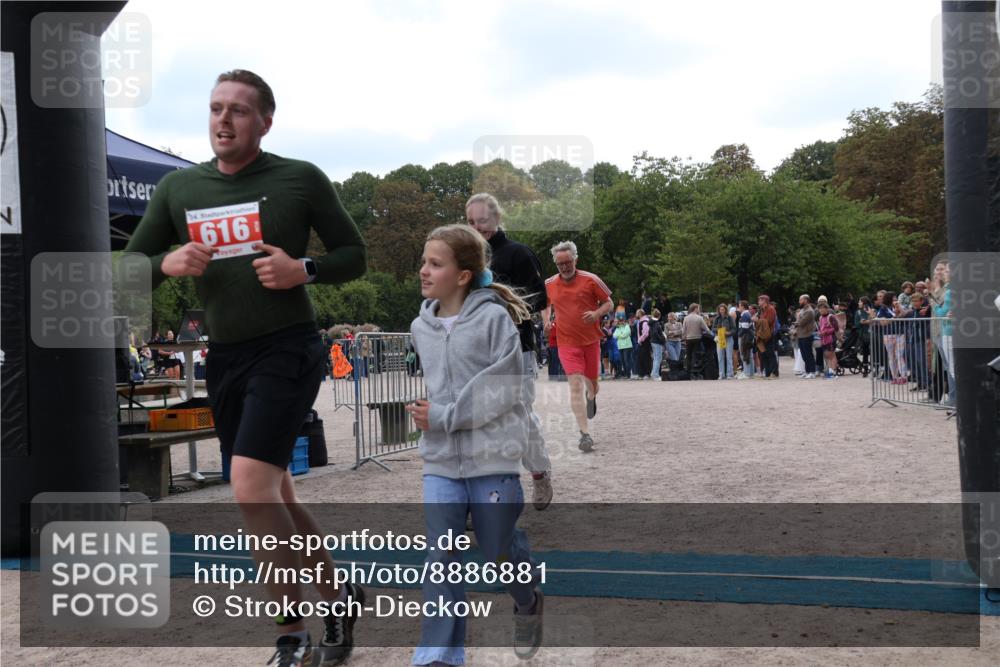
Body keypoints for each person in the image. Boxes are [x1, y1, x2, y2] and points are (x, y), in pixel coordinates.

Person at [124, 70, 367, 667]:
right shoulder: (179, 188)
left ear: (265, 121)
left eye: (237, 110)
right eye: (215, 109)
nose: (223, 120)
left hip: (288, 346)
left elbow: (353, 255)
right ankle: (339, 598)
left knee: (251, 487)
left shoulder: (299, 177)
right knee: (274, 490)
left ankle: (291, 636)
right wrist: (167, 261)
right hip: (226, 355)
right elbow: (129, 267)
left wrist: (302, 269)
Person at [406, 224, 543, 665]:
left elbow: (505, 390)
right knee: (440, 556)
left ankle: (528, 601)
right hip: (441, 462)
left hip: (492, 458)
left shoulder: (493, 319)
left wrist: (443, 416)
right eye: (424, 261)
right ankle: (439, 657)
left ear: (463, 275)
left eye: (435, 263)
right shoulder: (419, 327)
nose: (424, 270)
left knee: (499, 547)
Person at [466, 193, 553, 510]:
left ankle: (540, 472)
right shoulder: (465, 260)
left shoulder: (518, 253)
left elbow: (540, 298)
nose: (478, 227)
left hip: (516, 348)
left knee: (520, 416)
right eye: (472, 222)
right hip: (475, 353)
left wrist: (501, 309)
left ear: (497, 219)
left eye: (484, 221)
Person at [541, 241, 613, 452]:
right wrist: (547, 320)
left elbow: (608, 302)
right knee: (574, 385)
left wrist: (596, 314)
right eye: (560, 263)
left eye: (568, 262)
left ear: (575, 259)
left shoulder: (591, 280)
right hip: (565, 341)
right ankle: (585, 434)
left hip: (590, 340)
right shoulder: (550, 283)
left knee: (592, 384)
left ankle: (591, 398)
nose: (564, 267)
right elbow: (544, 303)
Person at [682, 304, 710, 378]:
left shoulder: (686, 318)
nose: (698, 310)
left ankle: (688, 372)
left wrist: (684, 338)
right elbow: (706, 329)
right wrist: (711, 334)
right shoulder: (699, 318)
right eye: (698, 308)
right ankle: (695, 371)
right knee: (696, 355)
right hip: (697, 338)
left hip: (688, 339)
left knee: (689, 356)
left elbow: (684, 330)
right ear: (695, 309)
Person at [753, 295, 778, 379]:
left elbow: (769, 321)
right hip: (762, 335)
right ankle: (767, 373)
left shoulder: (771, 309)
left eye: (760, 300)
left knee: (770, 354)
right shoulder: (761, 310)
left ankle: (774, 373)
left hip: (769, 334)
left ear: (765, 301)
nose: (758, 302)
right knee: (764, 354)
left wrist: (757, 320)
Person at [794, 295, 817, 379]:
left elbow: (801, 322)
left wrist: (796, 321)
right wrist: (797, 321)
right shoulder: (803, 310)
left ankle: (812, 372)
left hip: (807, 334)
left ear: (806, 300)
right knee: (804, 355)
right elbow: (798, 321)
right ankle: (807, 371)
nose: (799, 301)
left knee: (808, 354)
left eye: (801, 300)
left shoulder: (809, 311)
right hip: (801, 335)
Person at [711, 304, 735, 379]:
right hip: (720, 337)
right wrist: (719, 330)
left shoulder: (730, 318)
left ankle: (729, 374)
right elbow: (713, 329)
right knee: (720, 357)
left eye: (723, 309)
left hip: (728, 338)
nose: (721, 311)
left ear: (725, 310)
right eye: (720, 309)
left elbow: (734, 329)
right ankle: (721, 374)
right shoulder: (716, 318)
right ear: (718, 310)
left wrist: (729, 332)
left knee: (728, 356)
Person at [817, 302, 840, 379]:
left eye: (822, 308)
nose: (820, 310)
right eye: (819, 309)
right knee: (827, 355)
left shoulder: (831, 317)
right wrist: (820, 332)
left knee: (831, 355)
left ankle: (833, 372)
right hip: (823, 340)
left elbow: (836, 328)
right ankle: (830, 371)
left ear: (826, 309)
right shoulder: (820, 318)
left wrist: (826, 332)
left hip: (831, 339)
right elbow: (820, 328)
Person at [736, 300, 756, 379]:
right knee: (749, 355)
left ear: (743, 307)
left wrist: (739, 335)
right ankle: (751, 373)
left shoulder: (745, 315)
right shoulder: (748, 314)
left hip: (745, 337)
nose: (738, 307)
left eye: (739, 306)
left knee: (744, 354)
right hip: (749, 336)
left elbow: (744, 328)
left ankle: (746, 373)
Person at [613, 313, 634, 380]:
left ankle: (628, 374)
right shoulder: (618, 328)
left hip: (627, 346)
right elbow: (614, 335)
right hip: (620, 346)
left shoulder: (627, 326)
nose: (621, 322)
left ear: (624, 320)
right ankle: (626, 374)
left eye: (622, 320)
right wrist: (620, 335)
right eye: (620, 320)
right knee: (623, 361)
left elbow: (624, 335)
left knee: (626, 360)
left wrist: (619, 335)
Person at [634, 309, 653, 379]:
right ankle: (641, 373)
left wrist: (640, 339)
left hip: (645, 342)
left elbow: (646, 333)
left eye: (637, 313)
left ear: (640, 314)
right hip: (641, 342)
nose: (636, 314)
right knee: (640, 358)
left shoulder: (645, 322)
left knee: (646, 358)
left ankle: (647, 373)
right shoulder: (640, 321)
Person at [649, 308, 667, 380]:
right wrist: (662, 339)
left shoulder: (652, 323)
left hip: (653, 341)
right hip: (657, 342)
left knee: (655, 358)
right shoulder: (656, 323)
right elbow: (656, 333)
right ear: (659, 316)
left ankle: (653, 373)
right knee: (658, 359)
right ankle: (655, 375)